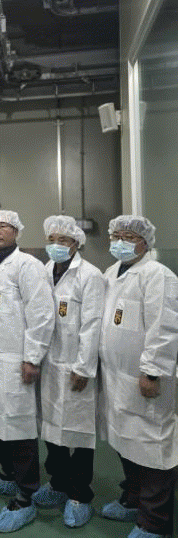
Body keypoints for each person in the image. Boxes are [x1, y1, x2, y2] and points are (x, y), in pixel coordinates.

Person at [0, 210, 55, 533]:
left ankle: (25, 495)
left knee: (19, 426)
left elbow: (42, 314)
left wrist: (32, 357)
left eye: (4, 226)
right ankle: (7, 475)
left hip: (17, 360)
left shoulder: (27, 266)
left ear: (16, 231)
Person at [100, 215, 178, 538]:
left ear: (145, 243)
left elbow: (165, 326)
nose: (120, 242)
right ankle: (133, 499)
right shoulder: (111, 273)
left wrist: (152, 371)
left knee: (152, 447)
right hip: (116, 377)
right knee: (125, 441)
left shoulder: (158, 275)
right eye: (116, 236)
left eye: (129, 237)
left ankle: (154, 522)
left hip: (146, 379)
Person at [31, 215, 105, 527]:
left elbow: (92, 324)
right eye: (52, 240)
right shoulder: (44, 270)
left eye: (63, 240)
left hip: (76, 365)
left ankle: (79, 494)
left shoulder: (90, 275)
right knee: (51, 428)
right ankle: (58, 483)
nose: (56, 245)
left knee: (79, 433)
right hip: (49, 363)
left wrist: (84, 367)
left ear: (76, 243)